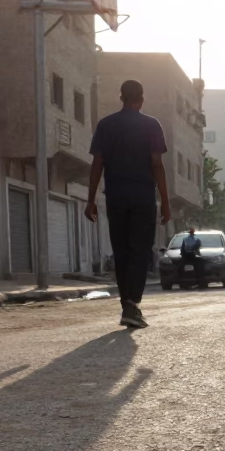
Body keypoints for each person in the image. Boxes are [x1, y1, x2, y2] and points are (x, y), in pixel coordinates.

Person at [84, 80, 171, 329]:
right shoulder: (151, 125)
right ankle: (132, 304)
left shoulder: (106, 125)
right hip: (142, 196)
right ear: (141, 99)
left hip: (115, 195)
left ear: (121, 98)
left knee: (121, 251)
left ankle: (127, 306)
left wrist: (91, 200)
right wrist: (165, 202)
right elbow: (157, 163)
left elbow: (97, 164)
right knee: (140, 251)